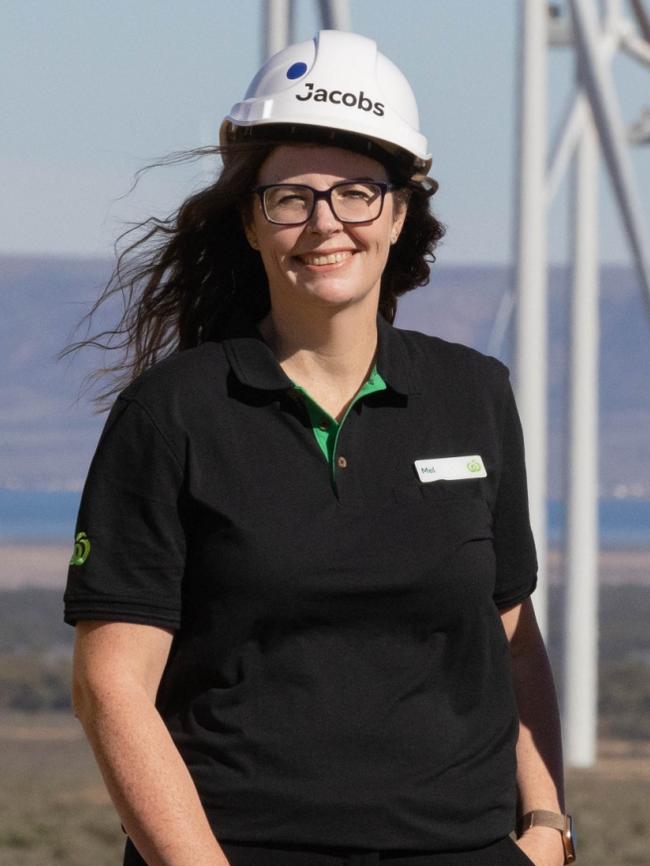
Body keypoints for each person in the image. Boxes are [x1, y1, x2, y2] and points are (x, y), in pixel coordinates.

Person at [63, 29, 574, 866]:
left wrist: (549, 828)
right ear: (251, 223)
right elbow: (109, 687)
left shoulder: (473, 395)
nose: (325, 223)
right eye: (290, 198)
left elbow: (510, 633)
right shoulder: (173, 413)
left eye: (357, 194)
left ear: (402, 213)